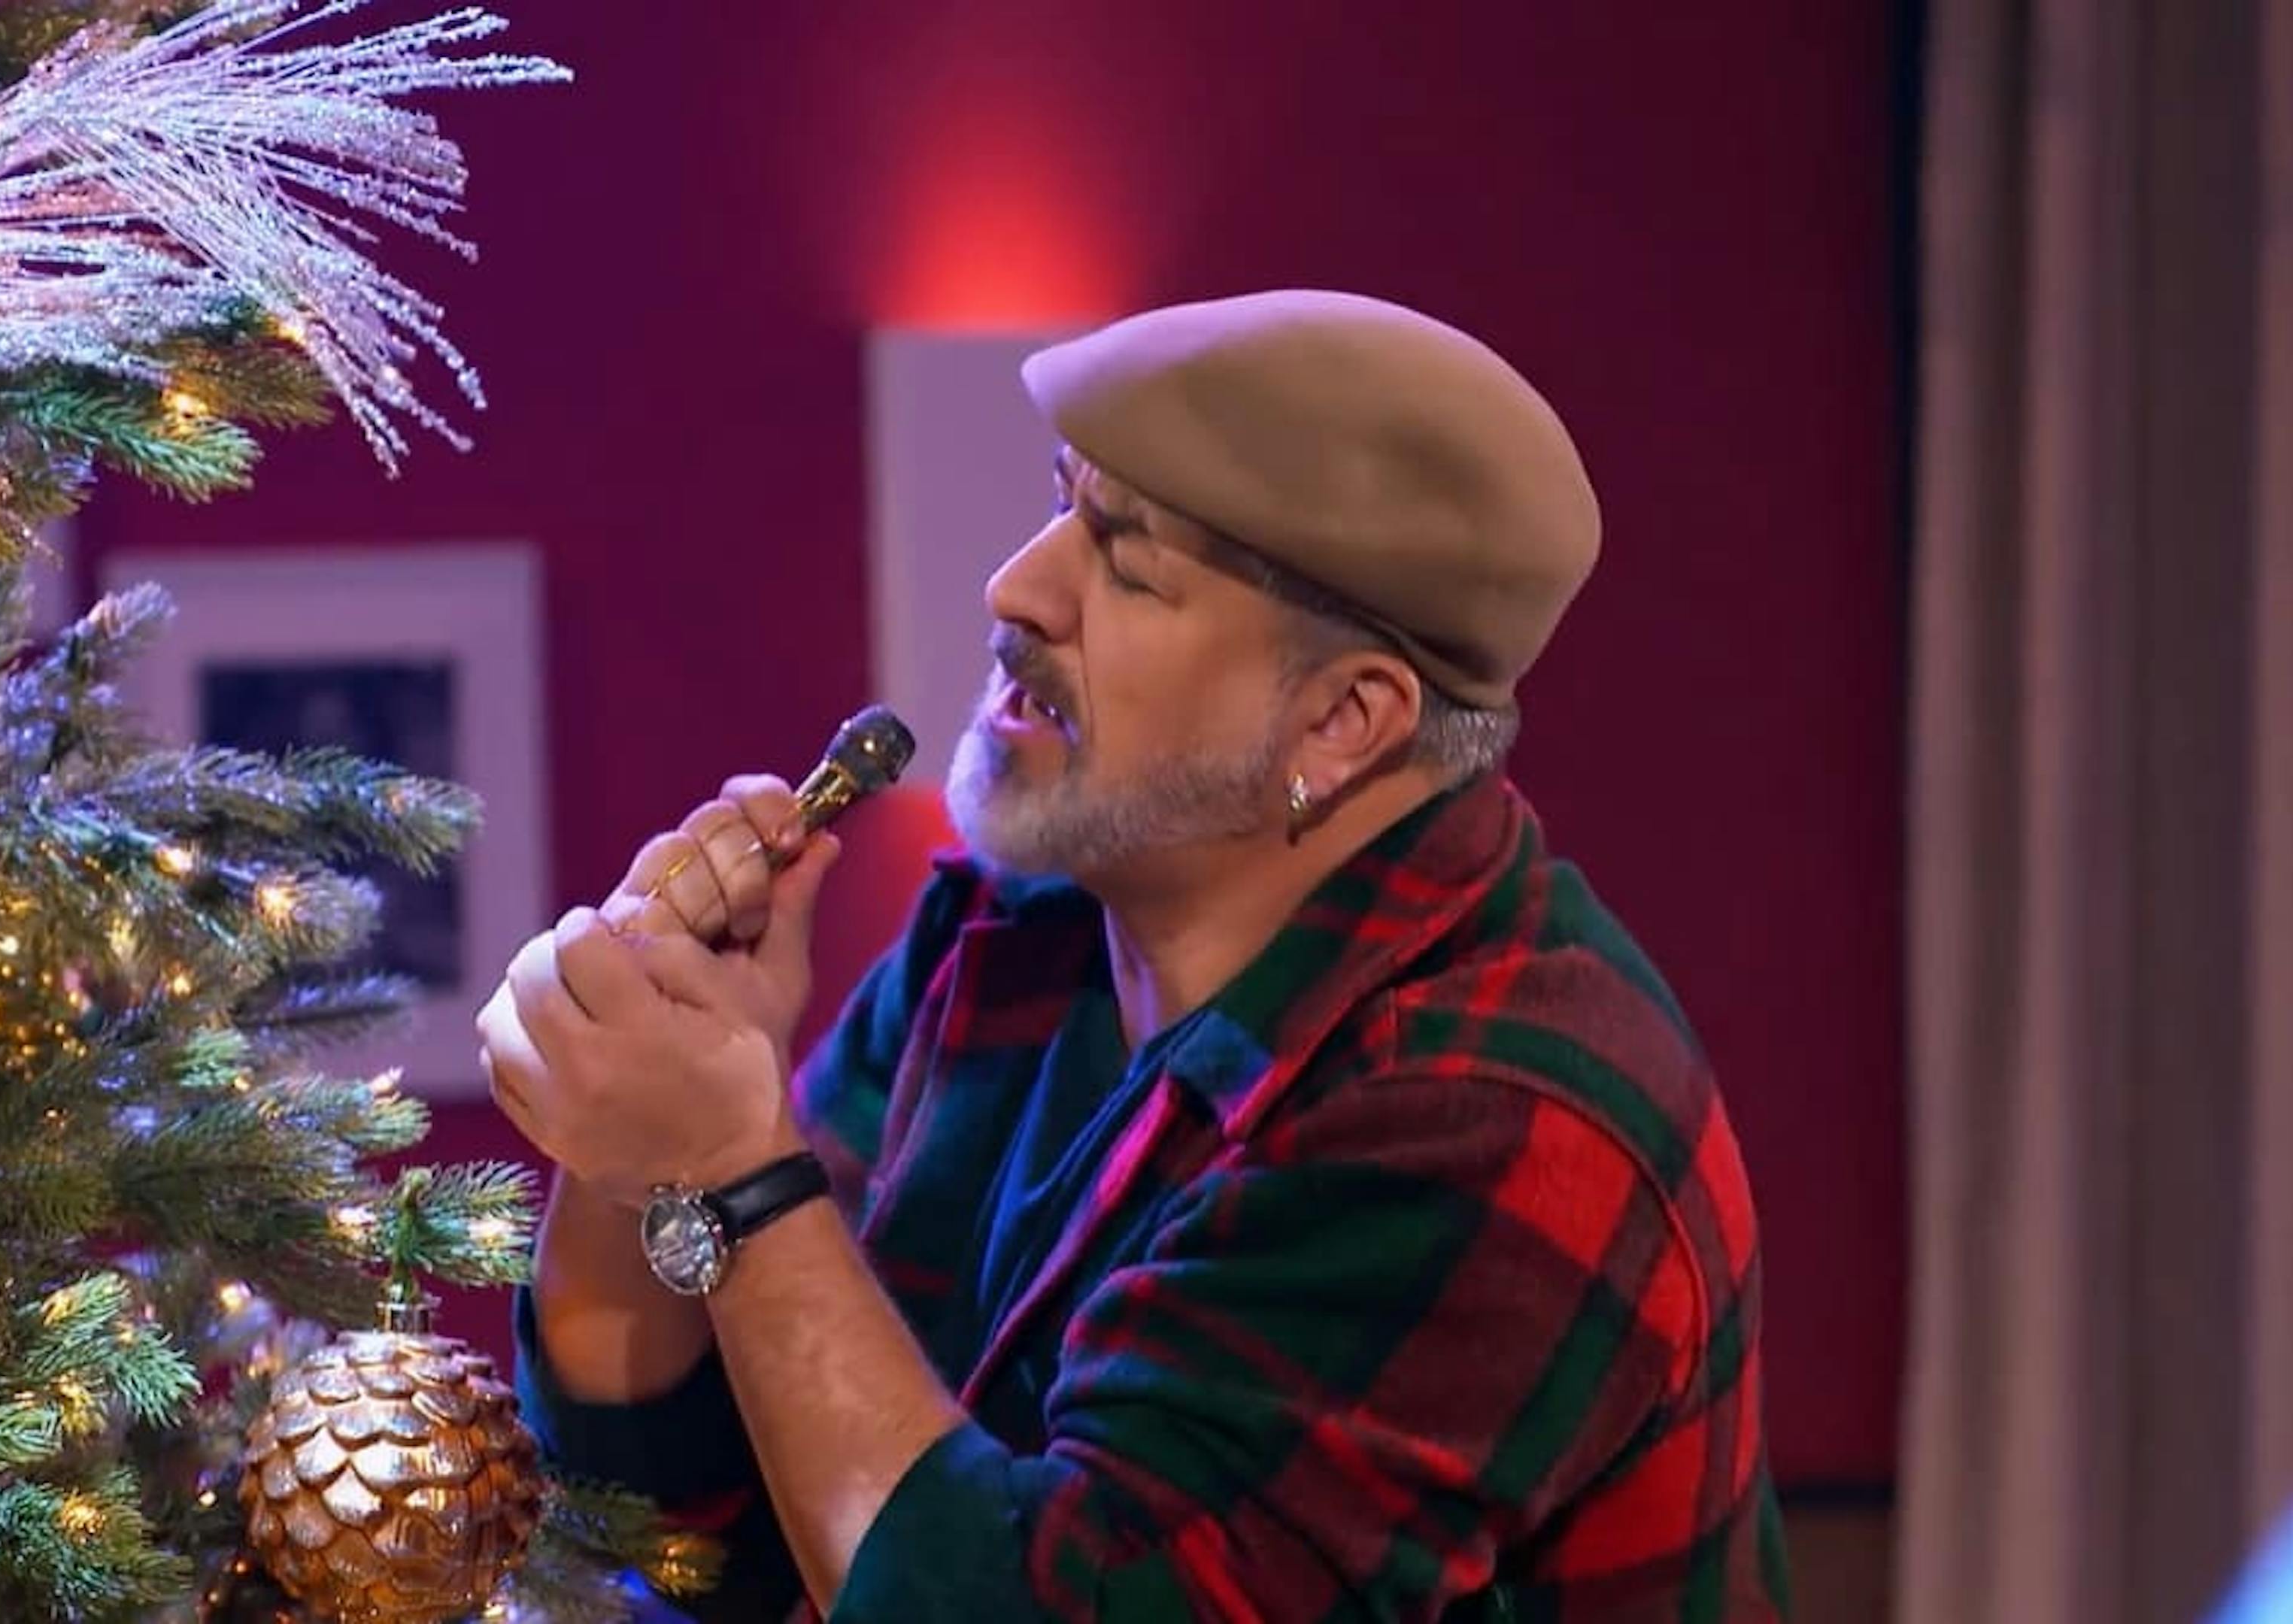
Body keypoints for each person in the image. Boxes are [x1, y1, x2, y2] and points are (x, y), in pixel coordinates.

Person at [475, 289, 1789, 1622]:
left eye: (1130, 563)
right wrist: (646, 1138)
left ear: (1341, 721)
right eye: (1064, 504)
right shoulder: (1013, 929)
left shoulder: (1487, 1118)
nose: (1016, 589)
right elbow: (691, 1522)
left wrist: (735, 1173)